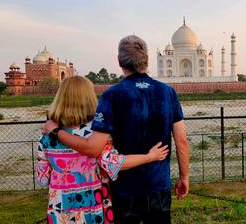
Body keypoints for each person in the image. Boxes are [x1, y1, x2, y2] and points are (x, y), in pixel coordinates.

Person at [43, 35, 190, 224]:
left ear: (119, 61)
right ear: (147, 60)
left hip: (125, 189)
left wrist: (56, 132)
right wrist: (184, 177)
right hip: (158, 185)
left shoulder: (112, 95)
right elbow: (182, 141)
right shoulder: (167, 92)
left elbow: (93, 148)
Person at [37, 76, 169, 224]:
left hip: (60, 209)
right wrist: (150, 157)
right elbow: (114, 164)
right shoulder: (97, 133)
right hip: (93, 207)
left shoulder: (47, 136)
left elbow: (42, 180)